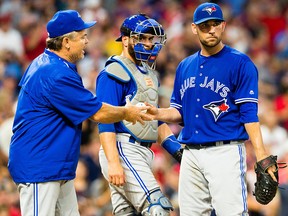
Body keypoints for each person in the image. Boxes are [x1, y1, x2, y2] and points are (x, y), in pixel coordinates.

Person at [7, 10, 152, 216]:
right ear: (66, 41)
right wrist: (128, 112)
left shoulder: (51, 63)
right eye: (82, 36)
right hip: (40, 167)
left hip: (54, 166)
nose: (86, 41)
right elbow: (98, 113)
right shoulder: (54, 73)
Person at [147, 2, 277, 215]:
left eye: (215, 24)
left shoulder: (240, 63)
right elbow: (179, 111)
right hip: (190, 153)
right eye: (205, 25)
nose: (211, 29)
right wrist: (157, 113)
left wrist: (261, 153)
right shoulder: (185, 66)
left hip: (224, 152)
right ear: (194, 28)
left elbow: (249, 114)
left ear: (223, 26)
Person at [96, 14, 183, 215]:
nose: (148, 43)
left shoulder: (149, 74)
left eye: (151, 39)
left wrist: (178, 151)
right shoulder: (114, 71)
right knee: (158, 209)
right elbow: (105, 120)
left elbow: (155, 120)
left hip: (142, 152)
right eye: (141, 38)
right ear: (125, 40)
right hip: (122, 147)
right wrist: (113, 162)